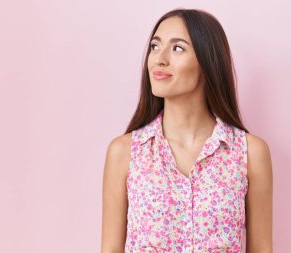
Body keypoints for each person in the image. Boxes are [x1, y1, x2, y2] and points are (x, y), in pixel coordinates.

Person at [101, 8, 273, 253]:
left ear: (207, 62)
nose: (159, 59)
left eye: (177, 48)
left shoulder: (250, 153)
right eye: (154, 46)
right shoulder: (124, 153)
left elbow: (262, 249)